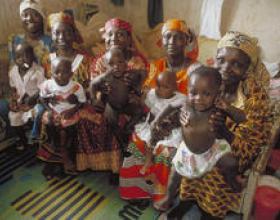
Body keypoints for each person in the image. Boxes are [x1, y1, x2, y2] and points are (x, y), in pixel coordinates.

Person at [173, 31, 272, 219]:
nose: (226, 68)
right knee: (188, 155)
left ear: (248, 69)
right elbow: (189, 100)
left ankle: (209, 213)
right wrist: (185, 115)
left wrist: (224, 132)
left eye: (237, 64)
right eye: (222, 60)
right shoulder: (208, 80)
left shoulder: (254, 98)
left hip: (232, 151)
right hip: (203, 143)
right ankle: (186, 201)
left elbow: (250, 147)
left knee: (218, 169)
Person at [153, 66, 247, 214]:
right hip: (188, 152)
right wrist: (157, 120)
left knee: (231, 163)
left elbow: (242, 118)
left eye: (206, 94)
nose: (198, 98)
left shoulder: (218, 108)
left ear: (218, 93)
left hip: (212, 149)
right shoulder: (185, 104)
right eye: (193, 92)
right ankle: (168, 198)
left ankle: (233, 180)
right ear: (188, 90)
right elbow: (170, 106)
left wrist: (228, 108)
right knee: (174, 176)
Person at [76, 18, 148, 178]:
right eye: (110, 34)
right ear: (104, 38)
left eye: (120, 34)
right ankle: (112, 163)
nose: (114, 38)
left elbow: (144, 86)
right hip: (108, 103)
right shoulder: (100, 61)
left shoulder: (137, 61)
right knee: (101, 118)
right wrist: (99, 95)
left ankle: (127, 163)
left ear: (129, 39)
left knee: (134, 115)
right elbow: (93, 85)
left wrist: (136, 84)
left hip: (129, 101)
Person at [119, 70, 186, 204]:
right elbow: (144, 106)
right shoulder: (152, 94)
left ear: (175, 87)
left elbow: (181, 120)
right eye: (158, 85)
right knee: (135, 146)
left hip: (170, 133)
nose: (160, 90)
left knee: (165, 153)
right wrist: (140, 97)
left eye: (165, 86)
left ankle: (160, 196)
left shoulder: (182, 99)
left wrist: (168, 126)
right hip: (150, 128)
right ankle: (136, 191)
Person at [91, 46, 146, 148]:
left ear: (126, 64)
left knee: (139, 111)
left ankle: (127, 127)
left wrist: (137, 87)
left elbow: (142, 74)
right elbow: (92, 85)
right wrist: (94, 99)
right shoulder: (105, 77)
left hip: (126, 104)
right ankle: (121, 142)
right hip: (112, 106)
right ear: (106, 66)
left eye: (120, 62)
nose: (116, 66)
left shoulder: (129, 75)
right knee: (112, 123)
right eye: (111, 64)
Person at [40, 56, 86, 177]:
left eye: (64, 72)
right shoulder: (47, 85)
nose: (60, 75)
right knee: (51, 124)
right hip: (53, 112)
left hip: (69, 112)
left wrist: (73, 109)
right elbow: (42, 98)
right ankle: (54, 158)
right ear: (51, 72)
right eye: (56, 72)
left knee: (67, 130)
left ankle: (64, 158)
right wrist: (49, 109)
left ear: (71, 73)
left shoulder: (76, 87)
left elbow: (82, 102)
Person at [143, 18, 199, 94]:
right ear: (162, 41)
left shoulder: (195, 70)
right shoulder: (156, 66)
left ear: (187, 40)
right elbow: (146, 91)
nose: (172, 42)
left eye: (178, 37)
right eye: (167, 37)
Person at [8, 42, 45, 150]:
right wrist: (13, 102)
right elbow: (13, 89)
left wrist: (33, 98)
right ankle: (22, 139)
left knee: (38, 113)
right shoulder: (13, 72)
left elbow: (43, 89)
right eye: (18, 56)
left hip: (36, 102)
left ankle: (36, 138)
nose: (21, 59)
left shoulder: (38, 71)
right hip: (21, 103)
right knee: (13, 116)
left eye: (26, 56)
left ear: (33, 57)